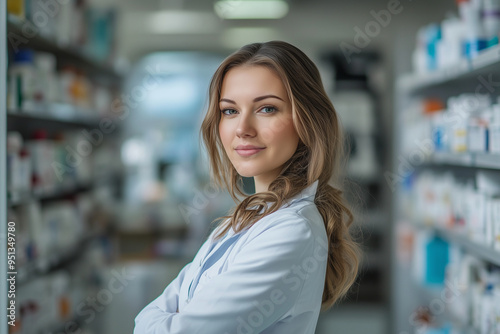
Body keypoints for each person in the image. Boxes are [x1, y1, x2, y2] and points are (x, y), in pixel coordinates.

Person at [134, 40, 360, 334]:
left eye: (267, 108)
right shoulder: (241, 220)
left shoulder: (292, 231)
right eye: (230, 111)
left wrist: (165, 319)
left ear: (308, 121)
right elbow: (151, 317)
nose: (242, 129)